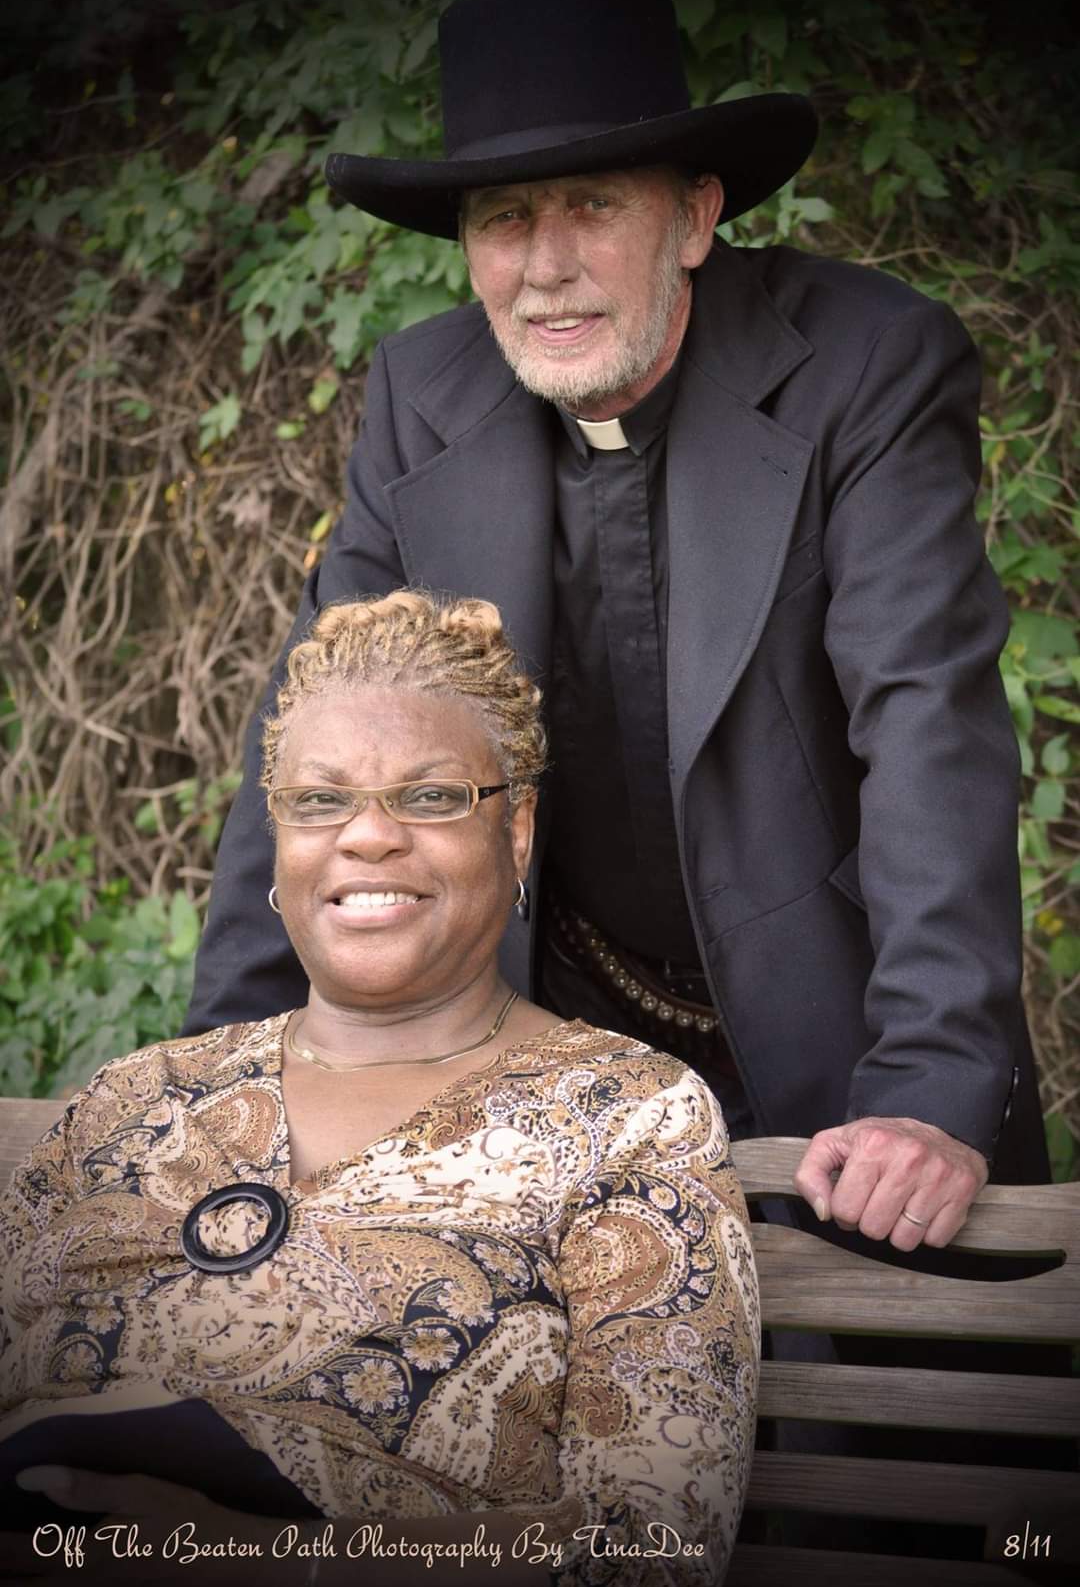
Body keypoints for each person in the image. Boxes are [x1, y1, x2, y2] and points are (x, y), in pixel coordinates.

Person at [186, 0, 1049, 1253]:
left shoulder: (868, 364)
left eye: (593, 206)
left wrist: (927, 1084)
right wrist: (220, 1065)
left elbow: (925, 717)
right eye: (504, 217)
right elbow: (323, 728)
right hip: (546, 1043)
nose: (545, 266)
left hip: (841, 1038)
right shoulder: (422, 392)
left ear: (695, 216)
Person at [0, 591, 759, 1586]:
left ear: (517, 830)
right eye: (321, 800)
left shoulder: (629, 1120)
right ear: (279, 834)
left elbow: (656, 1547)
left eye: (431, 796)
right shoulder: (132, 1102)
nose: (367, 837)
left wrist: (264, 1562)